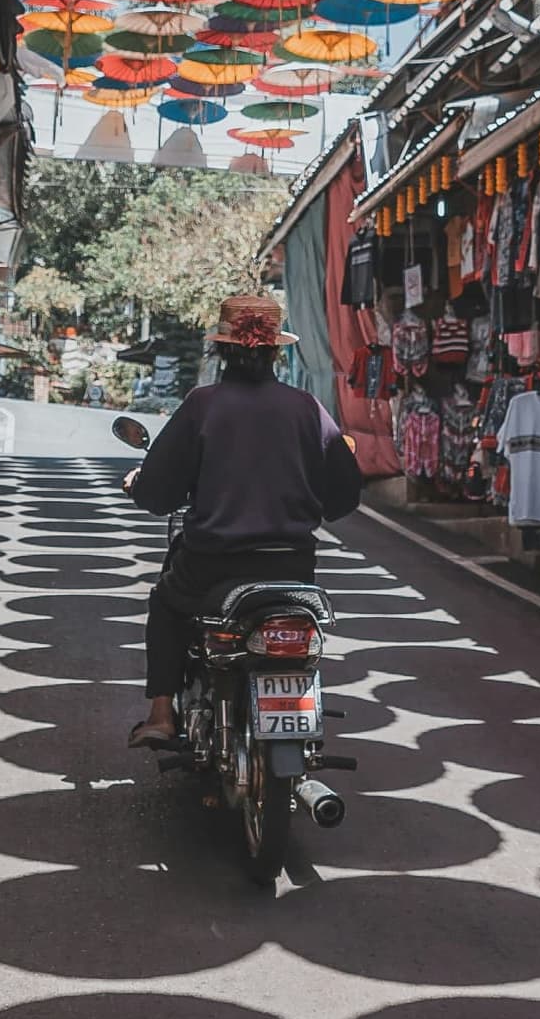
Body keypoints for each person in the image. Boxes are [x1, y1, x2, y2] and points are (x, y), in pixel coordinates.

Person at [124, 292, 362, 748]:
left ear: (222, 348)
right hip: (292, 567)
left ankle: (161, 715)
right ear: (275, 350)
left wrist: (141, 484)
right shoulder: (307, 409)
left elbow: (159, 492)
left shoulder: (203, 405)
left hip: (212, 563)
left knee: (168, 606)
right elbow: (345, 492)